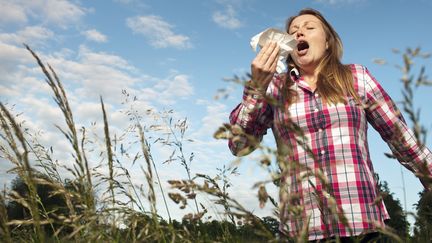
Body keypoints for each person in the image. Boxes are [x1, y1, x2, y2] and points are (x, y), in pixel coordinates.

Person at [228, 8, 432, 242]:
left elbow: (400, 137)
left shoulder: (356, 77)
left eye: (309, 27)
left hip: (360, 223)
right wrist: (256, 87)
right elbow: (238, 144)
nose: (299, 31)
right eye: (293, 30)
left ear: (327, 42)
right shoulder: (275, 88)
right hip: (301, 228)